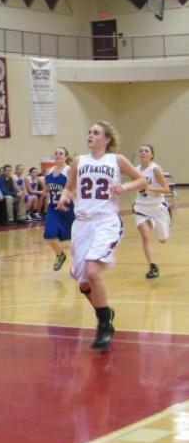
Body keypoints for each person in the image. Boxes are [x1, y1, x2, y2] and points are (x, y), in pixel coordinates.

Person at [57, 121, 146, 349]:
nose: (90, 135)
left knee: (93, 271)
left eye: (96, 133)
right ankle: (104, 311)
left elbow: (142, 180)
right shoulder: (79, 161)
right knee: (84, 284)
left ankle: (104, 325)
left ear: (106, 139)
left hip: (105, 222)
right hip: (82, 224)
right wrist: (64, 196)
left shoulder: (116, 160)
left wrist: (124, 188)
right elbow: (69, 186)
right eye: (89, 132)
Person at [133, 144, 171, 279]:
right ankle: (152, 266)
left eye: (146, 151)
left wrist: (149, 188)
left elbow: (166, 189)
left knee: (163, 239)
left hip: (157, 206)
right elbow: (135, 187)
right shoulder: (135, 170)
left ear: (151, 155)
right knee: (145, 235)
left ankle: (161, 220)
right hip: (141, 207)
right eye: (141, 150)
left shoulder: (155, 169)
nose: (143, 153)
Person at [42, 147, 75, 272]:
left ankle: (79, 263)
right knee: (49, 234)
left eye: (61, 153)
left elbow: (75, 189)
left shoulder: (69, 171)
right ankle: (60, 254)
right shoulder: (49, 172)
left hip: (68, 208)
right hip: (53, 208)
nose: (58, 155)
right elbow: (46, 191)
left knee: (75, 238)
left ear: (66, 156)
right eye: (56, 153)